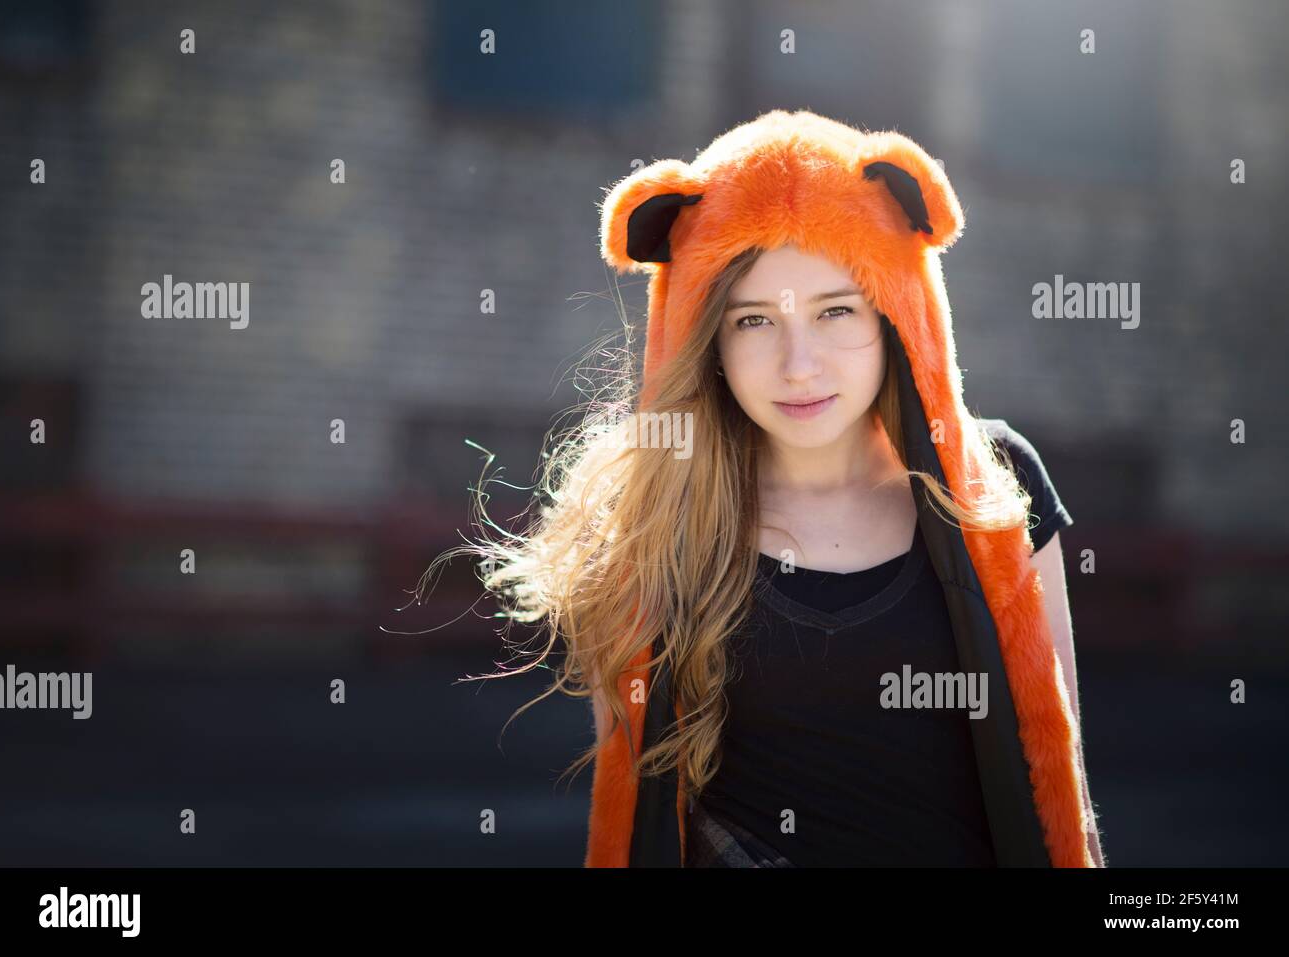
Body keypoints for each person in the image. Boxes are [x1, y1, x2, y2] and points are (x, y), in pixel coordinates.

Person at [440, 109, 1104, 867]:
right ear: (706, 334)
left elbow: (1061, 782)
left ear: (894, 312)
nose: (799, 365)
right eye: (754, 320)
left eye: (835, 311)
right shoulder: (653, 511)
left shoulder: (997, 486)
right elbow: (633, 810)